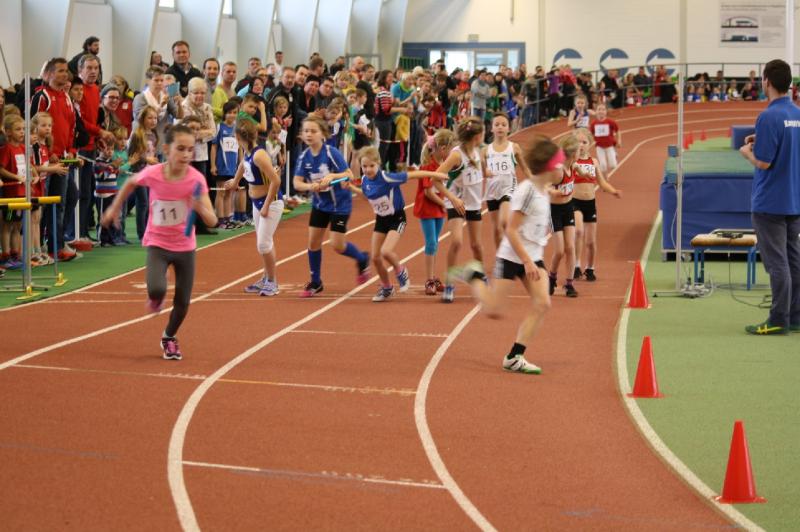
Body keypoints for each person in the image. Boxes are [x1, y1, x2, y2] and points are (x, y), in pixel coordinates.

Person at [102, 124, 217, 360]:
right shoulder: (154, 173)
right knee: (156, 290)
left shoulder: (196, 180)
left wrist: (199, 208)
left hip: (185, 247)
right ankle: (157, 296)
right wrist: (114, 208)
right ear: (166, 149)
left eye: (190, 150)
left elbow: (213, 220)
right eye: (180, 149)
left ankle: (169, 337)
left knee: (183, 302)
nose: (186, 155)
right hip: (158, 244)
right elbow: (131, 182)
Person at [455, 135, 565, 374]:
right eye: (560, 165)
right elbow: (511, 230)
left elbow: (541, 190)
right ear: (549, 167)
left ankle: (514, 356)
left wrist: (551, 193)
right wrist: (526, 261)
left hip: (533, 256)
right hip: (513, 256)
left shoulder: (541, 187)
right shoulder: (528, 192)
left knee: (543, 303)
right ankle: (474, 276)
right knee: (493, 310)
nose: (563, 169)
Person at [739, 59, 800, 335]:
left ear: (767, 81)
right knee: (793, 260)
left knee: (777, 263)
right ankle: (795, 315)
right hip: (793, 199)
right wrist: (760, 138)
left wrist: (747, 153)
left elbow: (763, 162)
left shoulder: (768, 116)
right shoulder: (796, 113)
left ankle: (778, 319)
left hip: (770, 202)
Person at [356, 146, 448, 301]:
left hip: (396, 218)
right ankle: (387, 288)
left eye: (371, 165)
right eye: (364, 166)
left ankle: (400, 270)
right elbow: (367, 195)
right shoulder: (365, 180)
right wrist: (351, 188)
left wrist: (435, 174)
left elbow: (414, 175)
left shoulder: (387, 178)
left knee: (386, 251)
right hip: (381, 219)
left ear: (378, 164)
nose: (368, 169)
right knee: (376, 257)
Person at [292, 115, 370, 297]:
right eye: (306, 131)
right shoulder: (304, 157)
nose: (309, 134)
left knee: (337, 244)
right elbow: (296, 183)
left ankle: (362, 258)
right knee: (313, 242)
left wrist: (332, 177)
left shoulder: (331, 153)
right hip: (320, 204)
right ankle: (316, 282)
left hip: (339, 204)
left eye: (313, 131)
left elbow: (349, 174)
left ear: (322, 134)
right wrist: (311, 186)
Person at [224, 120, 283, 296]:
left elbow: (276, 181)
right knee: (264, 243)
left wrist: (266, 206)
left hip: (270, 203)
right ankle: (266, 278)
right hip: (258, 203)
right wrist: (235, 181)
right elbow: (243, 165)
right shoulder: (248, 152)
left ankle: (272, 282)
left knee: (263, 244)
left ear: (237, 137)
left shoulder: (259, 156)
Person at [31, 58, 78, 261]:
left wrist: (71, 150)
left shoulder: (66, 96)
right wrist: (47, 150)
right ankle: (43, 247)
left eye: (66, 71)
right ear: (49, 74)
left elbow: (72, 126)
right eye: (60, 71)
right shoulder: (41, 96)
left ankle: (56, 244)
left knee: (65, 200)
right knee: (44, 205)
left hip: (63, 160)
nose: (65, 74)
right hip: (45, 161)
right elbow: (32, 127)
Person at [434, 117, 483, 303]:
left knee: (476, 245)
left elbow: (478, 171)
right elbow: (435, 179)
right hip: (456, 202)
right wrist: (452, 198)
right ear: (477, 136)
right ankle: (449, 284)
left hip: (474, 203)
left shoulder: (479, 151)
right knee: (456, 242)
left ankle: (481, 278)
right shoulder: (456, 155)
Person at [570, 128, 622, 281]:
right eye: (577, 142)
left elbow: (602, 182)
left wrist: (613, 191)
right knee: (578, 231)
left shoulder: (594, 162)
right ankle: (576, 266)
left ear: (590, 144)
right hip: (574, 202)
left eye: (584, 142)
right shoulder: (571, 162)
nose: (581, 145)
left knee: (591, 241)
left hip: (590, 203)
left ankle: (590, 268)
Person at [415, 129, 457, 295]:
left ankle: (432, 276)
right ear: (443, 148)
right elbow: (428, 192)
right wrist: (445, 203)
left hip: (439, 208)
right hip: (428, 208)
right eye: (451, 149)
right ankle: (429, 280)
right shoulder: (428, 166)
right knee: (431, 243)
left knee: (435, 244)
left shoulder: (444, 165)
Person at [483, 112, 530, 250]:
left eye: (503, 125)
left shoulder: (514, 147)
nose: (500, 127)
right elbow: (480, 171)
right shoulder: (485, 150)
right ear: (491, 128)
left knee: (504, 222)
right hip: (492, 192)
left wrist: (535, 182)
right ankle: (501, 257)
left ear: (508, 128)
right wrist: (485, 172)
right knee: (497, 230)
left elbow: (525, 168)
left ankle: (515, 250)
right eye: (497, 124)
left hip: (508, 189)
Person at [0, 114, 38, 269]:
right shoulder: (6, 149)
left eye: (23, 129)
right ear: (8, 132)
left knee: (17, 226)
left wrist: (35, 175)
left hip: (23, 193)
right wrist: (16, 177)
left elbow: (29, 165)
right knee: (7, 226)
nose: (22, 132)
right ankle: (5, 256)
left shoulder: (23, 148)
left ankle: (16, 254)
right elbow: (1, 169)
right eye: (18, 129)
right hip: (11, 194)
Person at [547, 134, 580, 298]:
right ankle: (551, 277)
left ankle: (569, 283)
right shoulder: (558, 172)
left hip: (568, 208)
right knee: (559, 251)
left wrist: (587, 174)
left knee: (570, 247)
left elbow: (580, 170)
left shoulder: (573, 166)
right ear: (573, 154)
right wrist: (553, 191)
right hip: (554, 211)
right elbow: (544, 185)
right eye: (579, 151)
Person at [210, 100, 240, 228]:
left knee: (229, 193)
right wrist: (213, 165)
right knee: (221, 192)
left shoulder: (237, 129)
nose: (232, 115)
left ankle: (228, 218)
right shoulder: (219, 127)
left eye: (235, 112)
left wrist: (241, 164)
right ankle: (220, 219)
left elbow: (240, 148)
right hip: (222, 166)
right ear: (224, 113)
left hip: (233, 167)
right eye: (229, 112)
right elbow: (214, 147)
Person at [589, 103, 621, 174]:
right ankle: (605, 177)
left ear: (606, 111)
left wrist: (619, 141)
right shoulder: (593, 124)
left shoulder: (610, 122)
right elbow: (590, 134)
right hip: (599, 146)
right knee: (603, 166)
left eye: (603, 109)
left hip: (609, 146)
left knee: (613, 165)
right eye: (599, 109)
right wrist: (589, 143)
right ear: (596, 111)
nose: (601, 111)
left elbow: (618, 130)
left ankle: (614, 154)